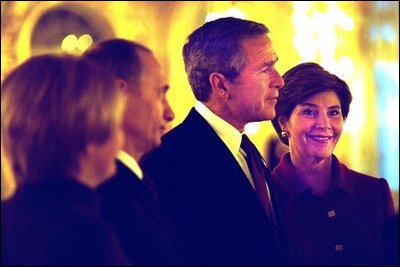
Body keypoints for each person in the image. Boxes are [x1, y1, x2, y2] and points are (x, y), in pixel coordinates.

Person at [141, 17, 286, 265]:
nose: (278, 80)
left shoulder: (247, 152)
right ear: (221, 85)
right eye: (265, 69)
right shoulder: (169, 162)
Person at [1, 54, 129, 266]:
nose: (120, 138)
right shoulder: (83, 238)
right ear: (88, 134)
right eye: (116, 123)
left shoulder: (8, 218)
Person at [270, 62, 396, 265]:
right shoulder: (265, 197)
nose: (324, 124)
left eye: (334, 112)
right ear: (284, 122)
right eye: (309, 112)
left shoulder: (375, 192)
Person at [82, 39, 183, 266]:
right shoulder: (104, 195)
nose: (170, 113)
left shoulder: (139, 180)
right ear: (119, 96)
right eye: (160, 94)